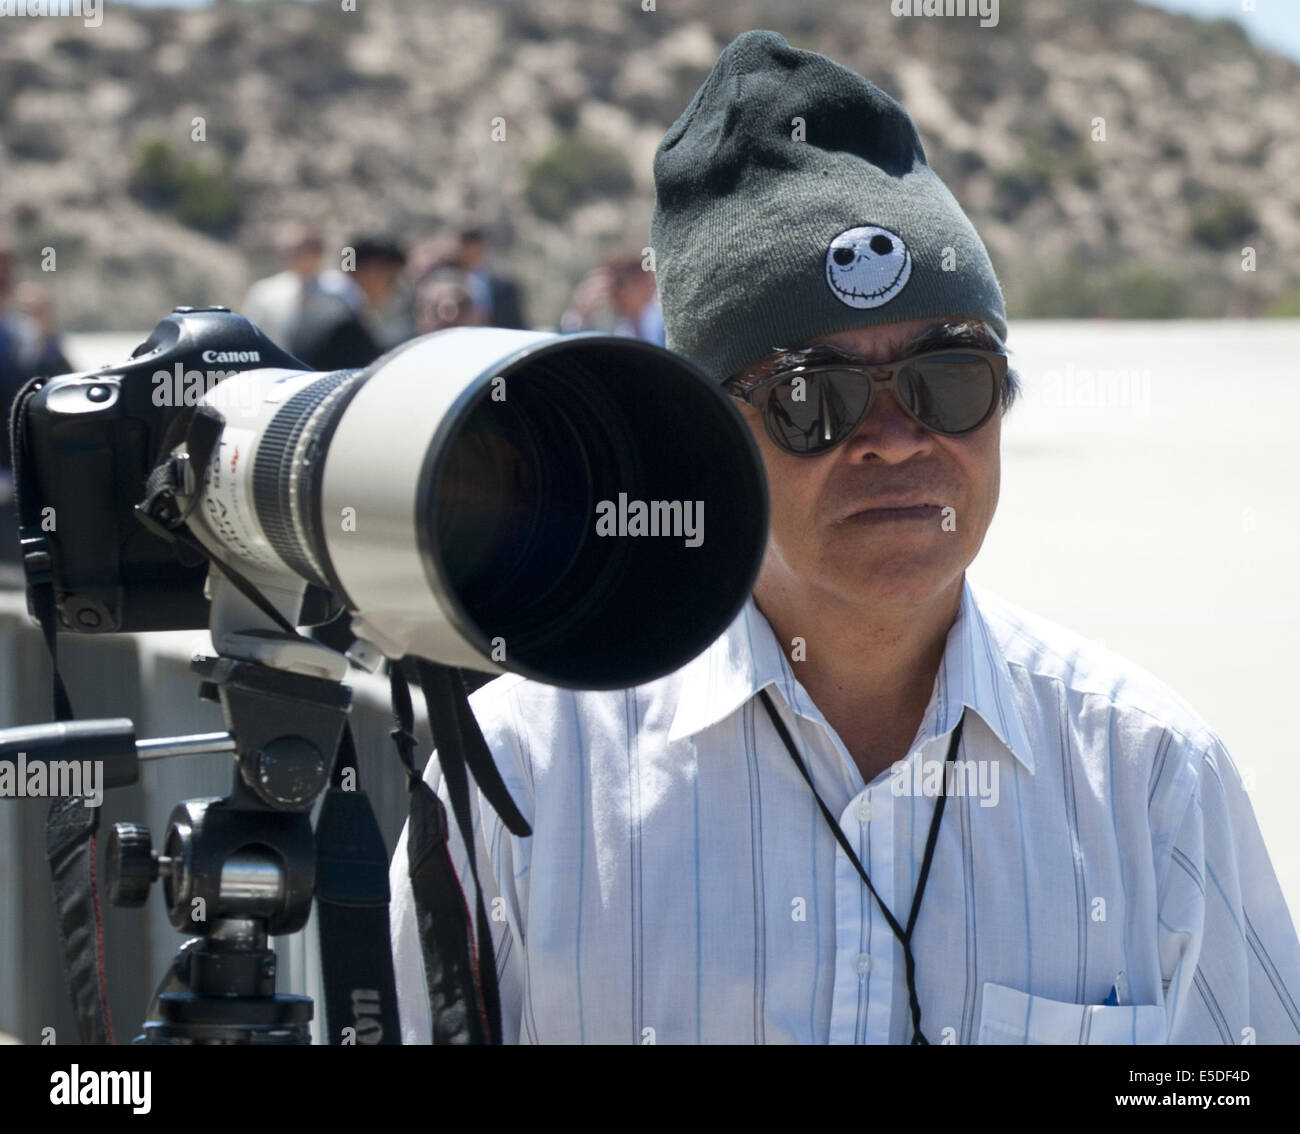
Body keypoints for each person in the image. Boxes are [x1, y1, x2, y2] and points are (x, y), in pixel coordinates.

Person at [389, 30, 1300, 1044]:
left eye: (947, 377)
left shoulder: (1149, 781)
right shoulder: (521, 788)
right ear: (705, 438)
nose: (895, 440)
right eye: (809, 396)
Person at [287, 235, 407, 371]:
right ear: (373, 270)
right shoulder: (344, 327)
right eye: (392, 278)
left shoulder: (320, 303)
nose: (395, 288)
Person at [241, 223, 358, 347]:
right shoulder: (264, 293)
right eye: (290, 251)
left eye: (305, 250)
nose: (297, 257)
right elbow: (251, 335)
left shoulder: (340, 288)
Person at [453, 225, 527, 330]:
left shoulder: (505, 288)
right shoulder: (447, 284)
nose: (471, 255)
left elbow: (516, 325)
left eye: (475, 250)